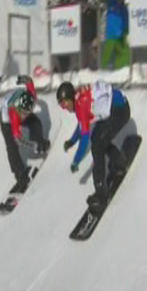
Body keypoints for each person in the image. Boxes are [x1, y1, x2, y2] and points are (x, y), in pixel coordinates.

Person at [57, 79, 130, 212]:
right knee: (97, 138)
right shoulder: (78, 99)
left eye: (65, 104)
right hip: (117, 107)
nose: (65, 109)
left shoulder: (81, 104)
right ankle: (119, 162)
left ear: (70, 99)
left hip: (119, 110)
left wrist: (76, 161)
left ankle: (101, 193)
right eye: (62, 106)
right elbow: (81, 125)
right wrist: (72, 142)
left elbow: (84, 139)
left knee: (96, 147)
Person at [0, 75, 51, 193]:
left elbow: (30, 84)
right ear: (19, 109)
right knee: (12, 147)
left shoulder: (31, 97)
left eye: (28, 111)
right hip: (6, 121)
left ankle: (40, 144)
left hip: (18, 104)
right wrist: (33, 145)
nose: (25, 115)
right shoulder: (14, 113)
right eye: (23, 113)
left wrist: (26, 80)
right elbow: (19, 139)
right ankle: (20, 176)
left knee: (35, 122)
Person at [102, 0, 129, 70]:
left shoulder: (118, 7)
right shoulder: (116, 7)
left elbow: (125, 20)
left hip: (118, 34)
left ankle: (119, 68)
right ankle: (117, 68)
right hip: (116, 34)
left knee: (120, 52)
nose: (119, 0)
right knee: (114, 52)